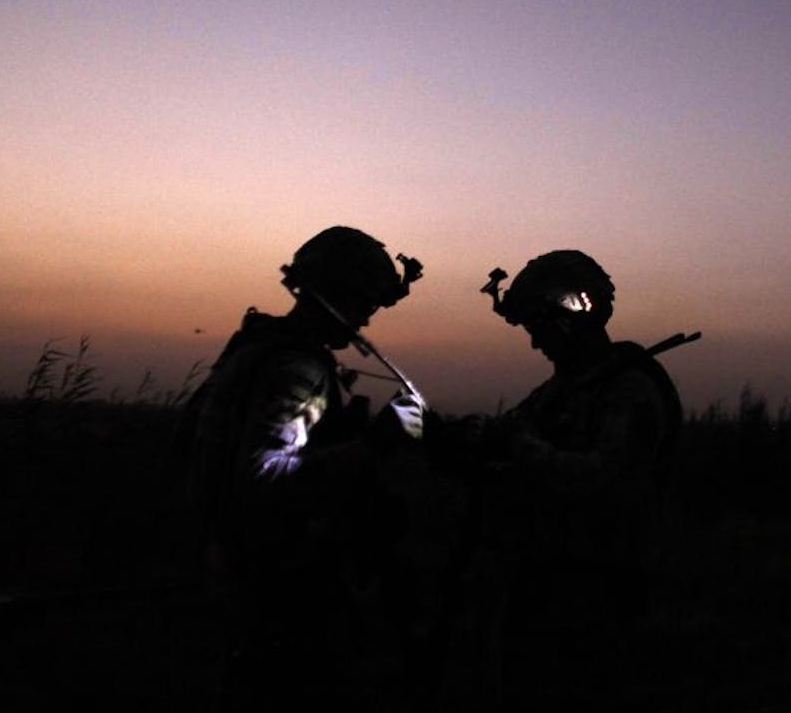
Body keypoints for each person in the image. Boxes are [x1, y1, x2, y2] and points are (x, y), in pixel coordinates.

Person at [183, 226, 428, 711]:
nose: (366, 319)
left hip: (238, 578)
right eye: (365, 304)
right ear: (339, 293)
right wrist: (378, 443)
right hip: (275, 590)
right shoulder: (297, 367)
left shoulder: (257, 347)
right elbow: (261, 479)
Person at [463, 250, 686, 708]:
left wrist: (518, 447)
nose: (534, 343)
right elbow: (511, 433)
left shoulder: (629, 391)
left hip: (596, 592)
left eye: (538, 328)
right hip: (546, 582)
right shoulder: (563, 388)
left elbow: (602, 480)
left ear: (570, 316)